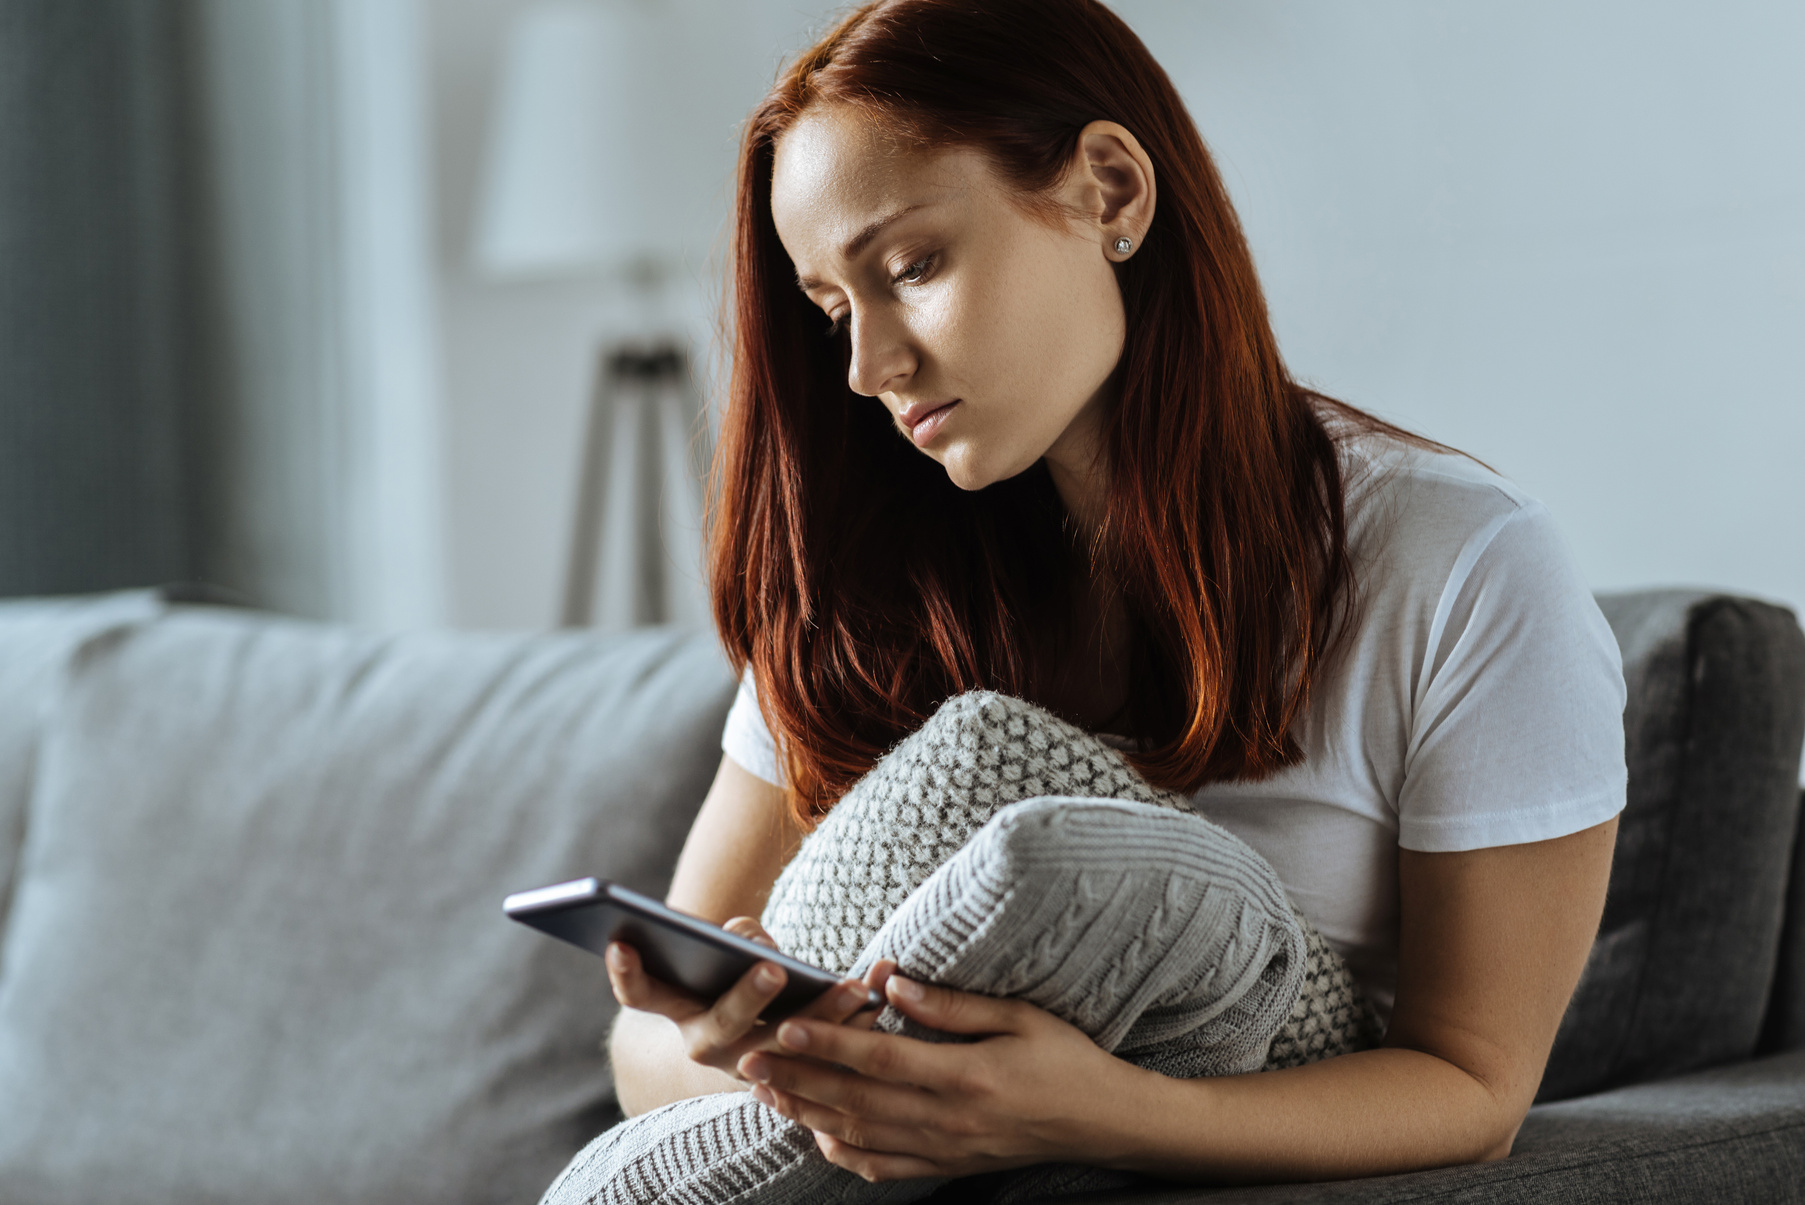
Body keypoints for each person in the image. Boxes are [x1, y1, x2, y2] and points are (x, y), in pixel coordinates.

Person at [605, 0, 1626, 1186]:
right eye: (833, 309)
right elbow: (638, 1049)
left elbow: (1473, 1089)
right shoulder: (863, 587)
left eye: (911, 267)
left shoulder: (1461, 573)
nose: (867, 367)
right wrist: (765, 1055)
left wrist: (1096, 1112)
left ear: (1110, 191)